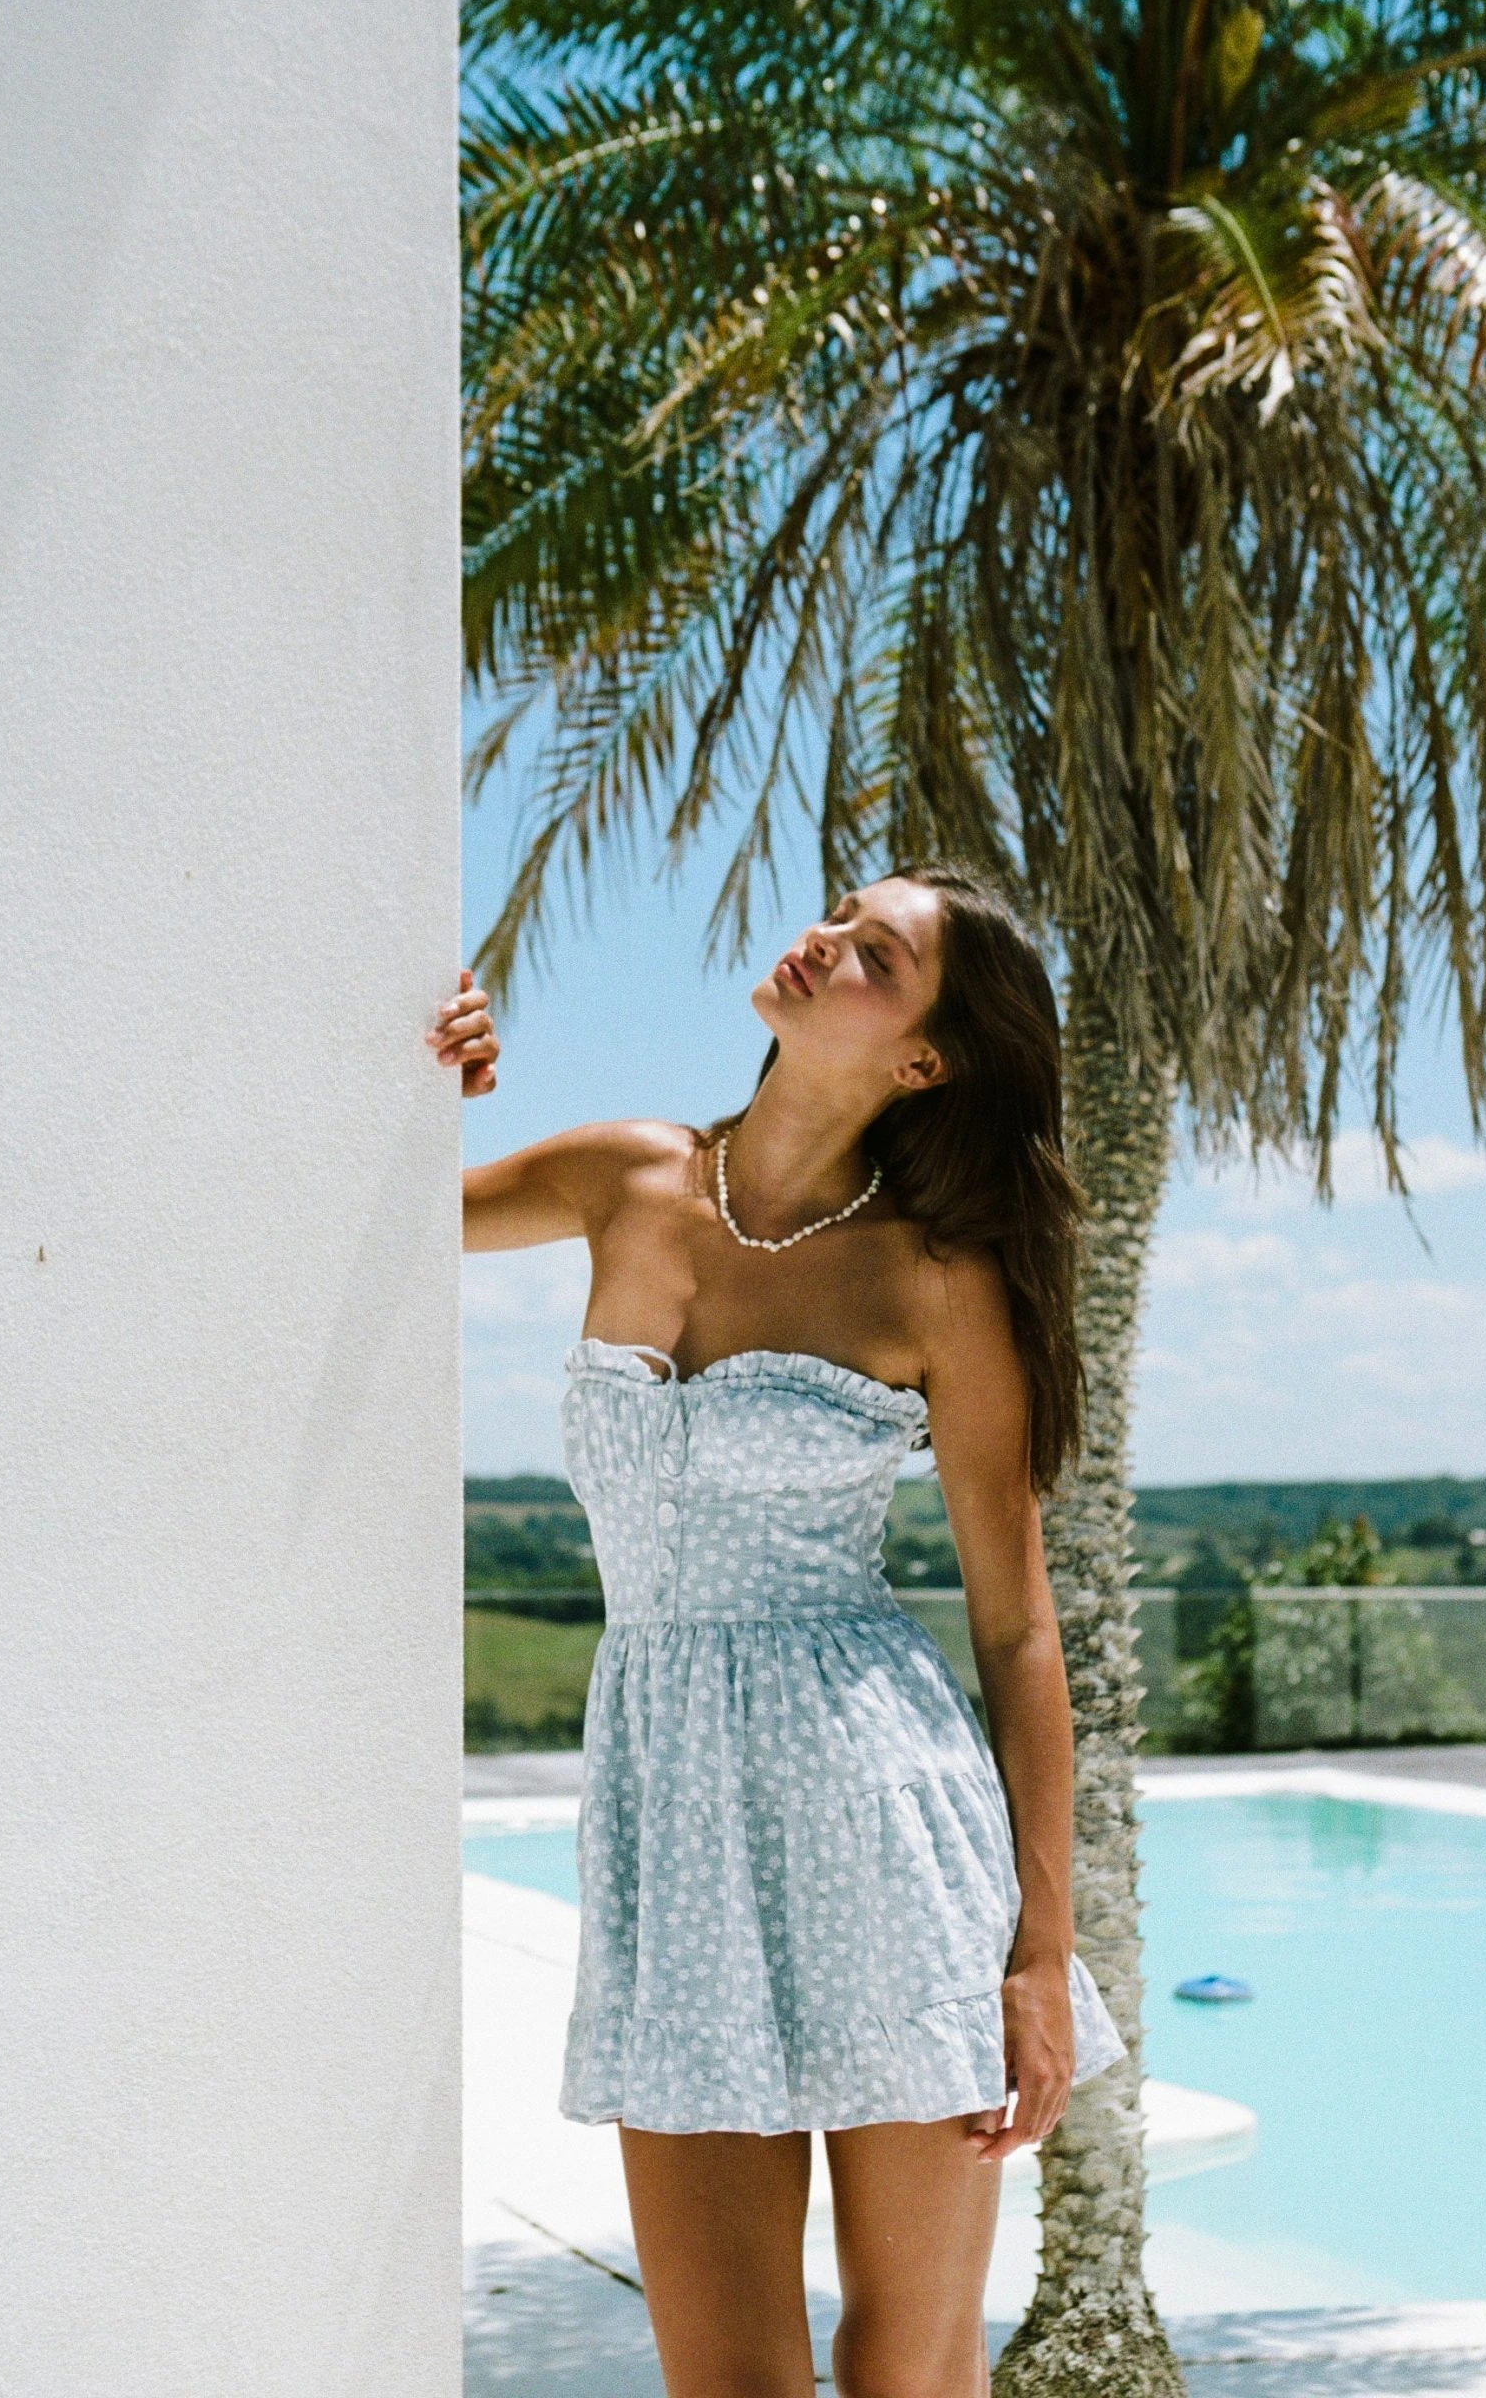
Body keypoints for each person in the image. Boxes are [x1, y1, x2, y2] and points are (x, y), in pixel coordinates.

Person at [431, 857, 1126, 2398]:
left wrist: (1041, 1950)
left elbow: (1017, 1627)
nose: (824, 944)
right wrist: (431, 1082)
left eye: (877, 955)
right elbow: (391, 1208)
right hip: (673, 1832)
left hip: (889, 1838)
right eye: (840, 919)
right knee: (727, 2379)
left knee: (909, 2373)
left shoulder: (938, 1279)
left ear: (924, 1062)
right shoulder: (626, 1177)